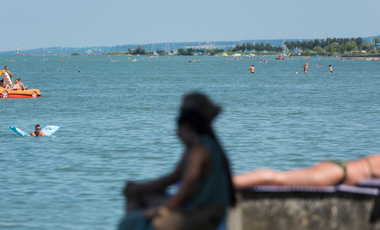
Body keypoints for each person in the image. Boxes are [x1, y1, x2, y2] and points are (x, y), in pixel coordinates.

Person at [119, 94, 236, 230]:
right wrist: (139, 189)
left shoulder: (198, 150)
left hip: (198, 211)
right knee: (137, 201)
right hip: (202, 209)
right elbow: (178, 179)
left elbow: (186, 185)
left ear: (186, 127)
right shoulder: (209, 144)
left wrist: (161, 209)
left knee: (131, 221)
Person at [233, 154, 380, 189]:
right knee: (277, 179)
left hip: (339, 169)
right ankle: (227, 182)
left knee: (277, 178)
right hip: (338, 174)